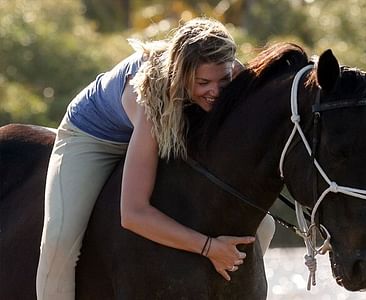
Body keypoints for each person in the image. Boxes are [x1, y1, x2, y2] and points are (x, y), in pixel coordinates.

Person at [36, 17, 275, 300]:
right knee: (60, 242)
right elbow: (133, 214)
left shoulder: (232, 76)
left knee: (266, 225)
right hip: (92, 136)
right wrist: (209, 247)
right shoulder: (151, 101)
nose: (217, 91)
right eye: (203, 82)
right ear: (181, 75)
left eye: (223, 80)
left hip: (166, 133)